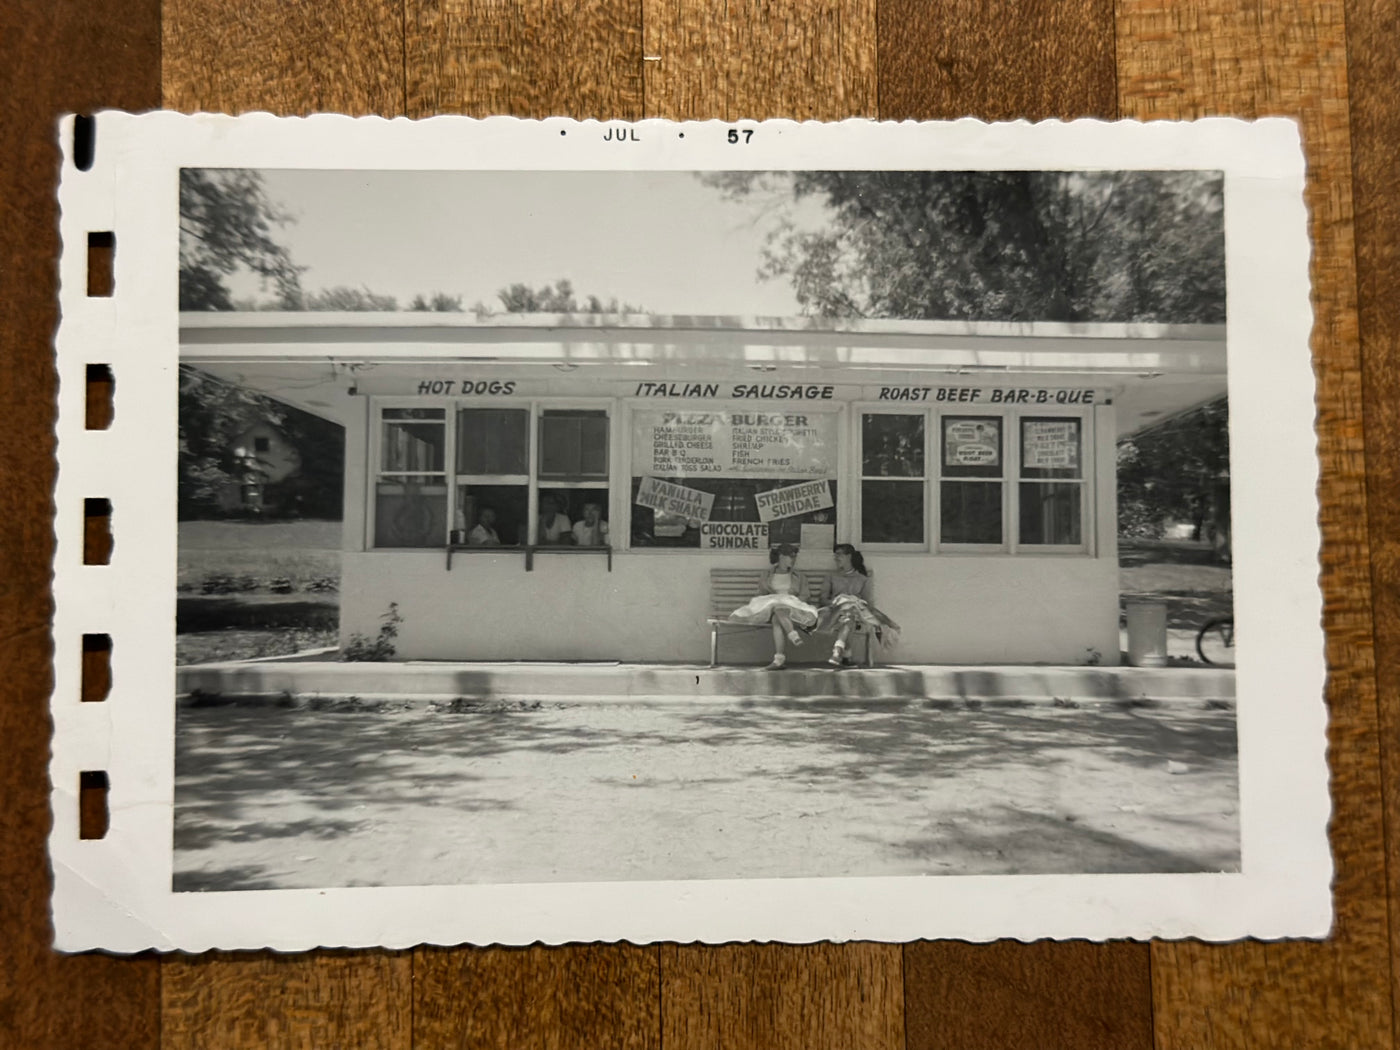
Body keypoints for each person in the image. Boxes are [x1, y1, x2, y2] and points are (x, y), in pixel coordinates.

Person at [727, 544, 819, 670]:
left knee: (777, 618)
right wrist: (775, 600)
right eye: (790, 557)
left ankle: (779, 659)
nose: (793, 560)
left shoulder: (799, 576)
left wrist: (789, 601)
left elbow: (805, 595)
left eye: (795, 557)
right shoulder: (767, 574)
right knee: (777, 605)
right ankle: (791, 634)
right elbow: (761, 594)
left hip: (792, 609)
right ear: (781, 556)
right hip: (771, 608)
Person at [817, 543, 901, 667]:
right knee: (848, 612)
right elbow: (823, 599)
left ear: (849, 556)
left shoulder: (862, 579)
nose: (836, 558)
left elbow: (868, 604)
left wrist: (853, 601)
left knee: (850, 612)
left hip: (855, 615)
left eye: (839, 555)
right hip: (833, 613)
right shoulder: (831, 576)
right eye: (835, 555)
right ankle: (844, 654)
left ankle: (839, 651)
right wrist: (837, 601)